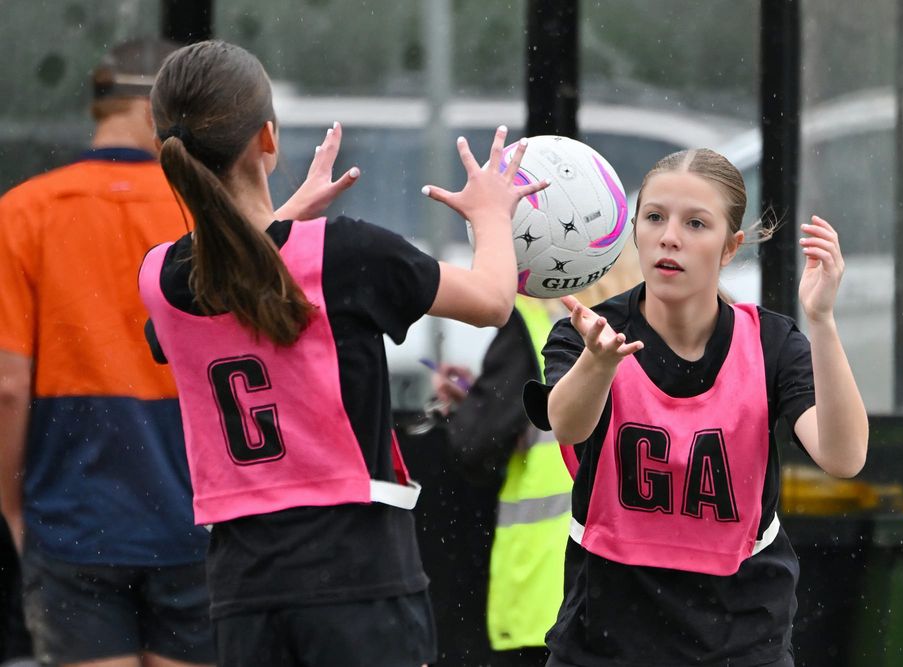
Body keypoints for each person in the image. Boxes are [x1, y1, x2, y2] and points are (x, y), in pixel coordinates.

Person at [137, 40, 546, 667]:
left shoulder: (161, 279)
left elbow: (233, 283)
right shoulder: (344, 255)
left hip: (242, 590)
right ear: (267, 140)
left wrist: (287, 219)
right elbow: (493, 299)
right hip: (357, 579)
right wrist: (491, 214)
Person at [523, 149, 869, 667]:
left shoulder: (770, 342)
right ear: (634, 229)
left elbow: (844, 457)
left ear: (729, 248)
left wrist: (821, 320)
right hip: (605, 642)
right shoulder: (590, 332)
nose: (669, 237)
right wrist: (597, 364)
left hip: (740, 640)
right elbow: (568, 425)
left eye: (695, 223)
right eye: (655, 217)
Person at [0, 38, 218, 667]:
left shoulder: (24, 212)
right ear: (162, 110)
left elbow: (9, 385)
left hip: (74, 517)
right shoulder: (205, 215)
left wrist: (14, 507)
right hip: (194, 514)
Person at [429, 245, 643, 667]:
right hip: (635, 589)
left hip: (547, 592)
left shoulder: (535, 327)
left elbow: (475, 444)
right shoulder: (645, 331)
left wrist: (469, 409)